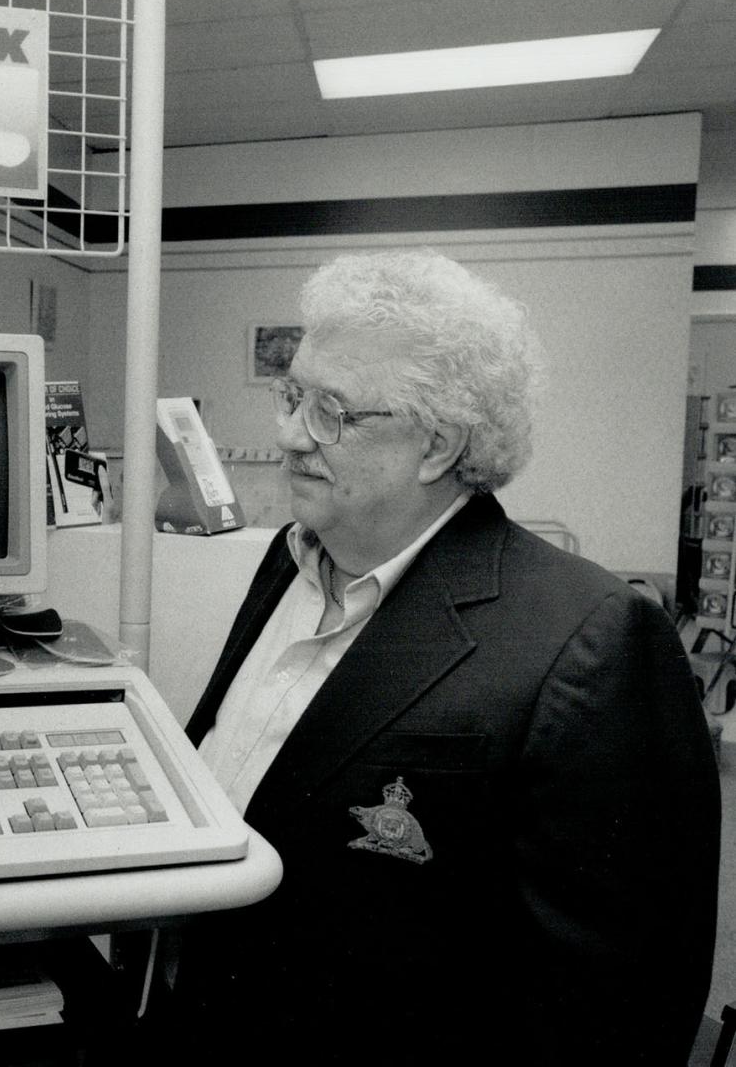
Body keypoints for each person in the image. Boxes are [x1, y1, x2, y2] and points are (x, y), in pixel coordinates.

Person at [158, 250, 719, 1064]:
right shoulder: (290, 559)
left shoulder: (592, 639)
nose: (285, 434)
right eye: (292, 396)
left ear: (438, 446)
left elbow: (620, 1006)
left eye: (331, 412)